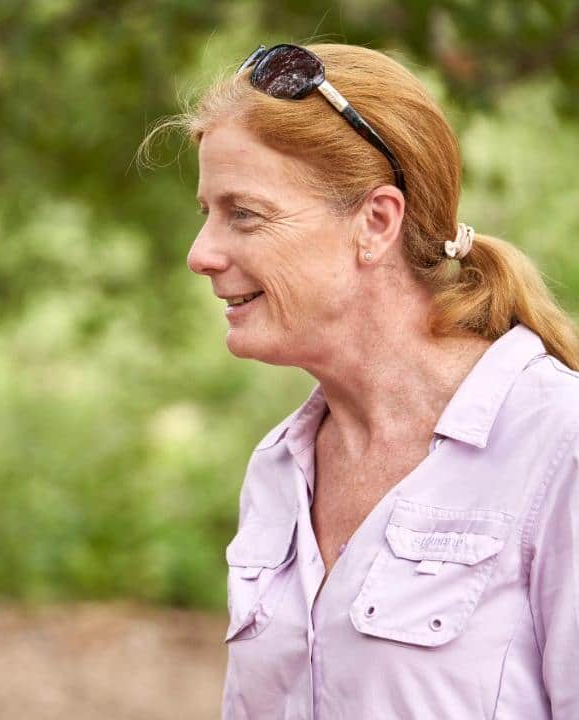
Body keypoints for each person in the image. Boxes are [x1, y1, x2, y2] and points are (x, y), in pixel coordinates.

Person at [165, 43, 579, 717]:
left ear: (376, 223)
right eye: (207, 212)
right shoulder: (279, 466)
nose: (201, 253)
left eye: (244, 214)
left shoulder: (560, 445)